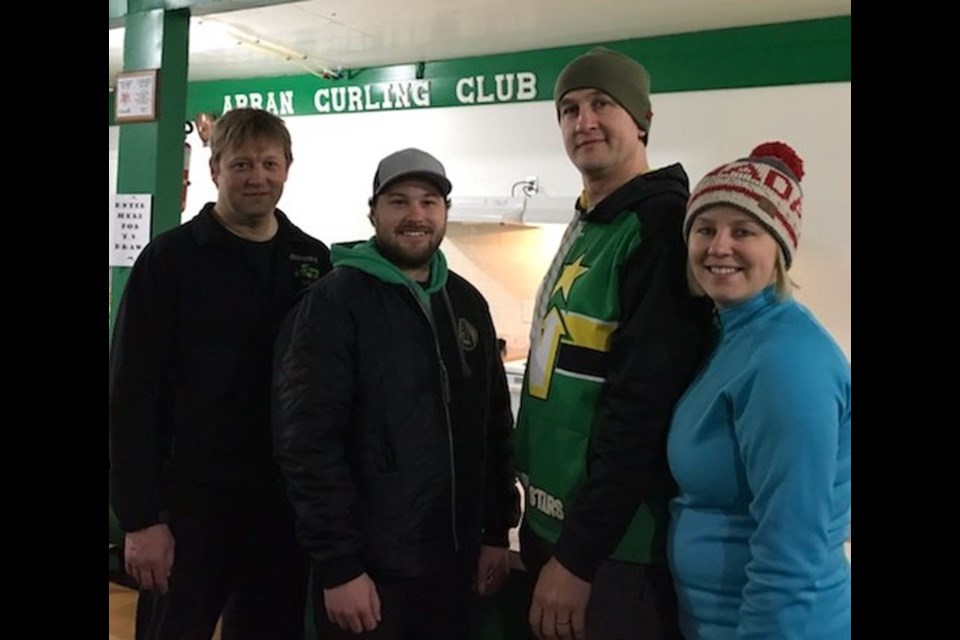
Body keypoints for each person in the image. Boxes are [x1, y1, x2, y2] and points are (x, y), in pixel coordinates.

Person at [272, 148, 521, 639]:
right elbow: (306, 444)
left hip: (455, 565)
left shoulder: (466, 302)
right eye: (399, 202)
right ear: (374, 212)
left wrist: (496, 531)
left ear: (444, 213)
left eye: (429, 202)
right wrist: (339, 565)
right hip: (372, 571)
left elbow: (493, 427)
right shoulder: (333, 303)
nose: (415, 216)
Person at [513, 47, 715, 639]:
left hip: (613, 547)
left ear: (641, 120)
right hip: (556, 522)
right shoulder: (592, 221)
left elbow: (640, 409)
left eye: (603, 103)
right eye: (569, 109)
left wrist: (579, 558)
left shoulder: (657, 227)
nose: (584, 121)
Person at [108, 107, 332, 640]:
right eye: (241, 165)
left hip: (281, 510)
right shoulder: (170, 260)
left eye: (269, 163)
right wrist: (141, 519)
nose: (258, 177)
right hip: (188, 509)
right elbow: (128, 395)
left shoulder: (311, 260)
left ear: (288, 168)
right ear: (215, 170)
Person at [667, 142, 851, 639]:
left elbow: (793, 547)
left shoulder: (786, 361)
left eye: (743, 231)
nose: (718, 247)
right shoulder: (739, 335)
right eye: (705, 229)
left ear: (779, 250)